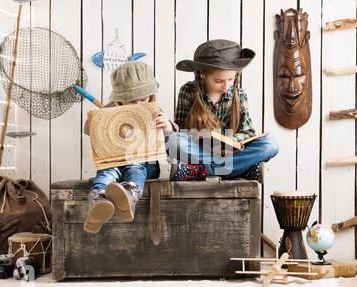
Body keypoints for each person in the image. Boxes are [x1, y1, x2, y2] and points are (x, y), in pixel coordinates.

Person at [83, 61, 176, 234]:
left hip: (146, 163)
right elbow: (88, 130)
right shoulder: (111, 108)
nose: (139, 104)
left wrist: (168, 126)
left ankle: (129, 195)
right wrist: (99, 119)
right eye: (131, 100)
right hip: (116, 160)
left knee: (135, 165)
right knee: (108, 170)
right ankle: (98, 200)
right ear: (118, 98)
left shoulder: (155, 111)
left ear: (151, 94)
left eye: (143, 98)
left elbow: (174, 138)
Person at [167, 39, 279, 180]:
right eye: (218, 81)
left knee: (270, 145)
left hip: (231, 153)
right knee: (174, 141)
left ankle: (200, 170)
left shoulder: (239, 94)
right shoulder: (188, 90)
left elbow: (249, 133)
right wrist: (203, 138)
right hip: (200, 150)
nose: (226, 86)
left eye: (231, 79)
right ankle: (238, 170)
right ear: (203, 74)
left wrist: (230, 140)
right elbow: (182, 132)